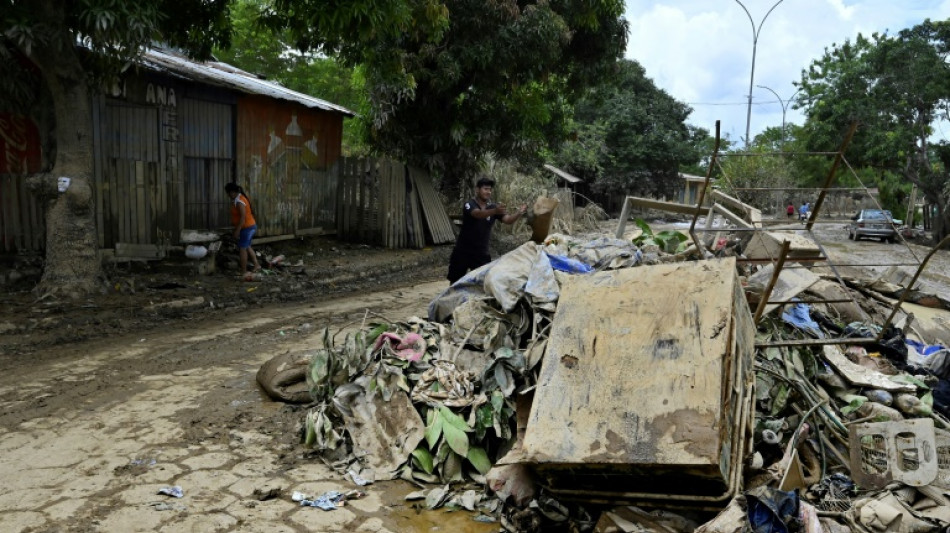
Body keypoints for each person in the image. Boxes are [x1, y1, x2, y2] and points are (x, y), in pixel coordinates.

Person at [447, 177, 526, 284]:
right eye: (485, 189)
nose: (488, 192)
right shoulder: (469, 204)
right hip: (462, 251)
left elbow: (508, 220)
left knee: (484, 283)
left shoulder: (493, 207)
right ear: (477, 190)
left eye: (490, 189)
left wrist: (519, 213)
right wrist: (494, 211)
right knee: (455, 281)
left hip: (481, 253)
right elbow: (477, 214)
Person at [225, 182, 262, 277]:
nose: (228, 195)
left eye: (228, 193)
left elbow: (243, 217)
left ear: (232, 192)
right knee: (247, 246)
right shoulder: (238, 199)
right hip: (249, 226)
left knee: (242, 248)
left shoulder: (240, 201)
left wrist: (237, 230)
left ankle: (244, 271)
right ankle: (256, 265)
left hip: (247, 227)